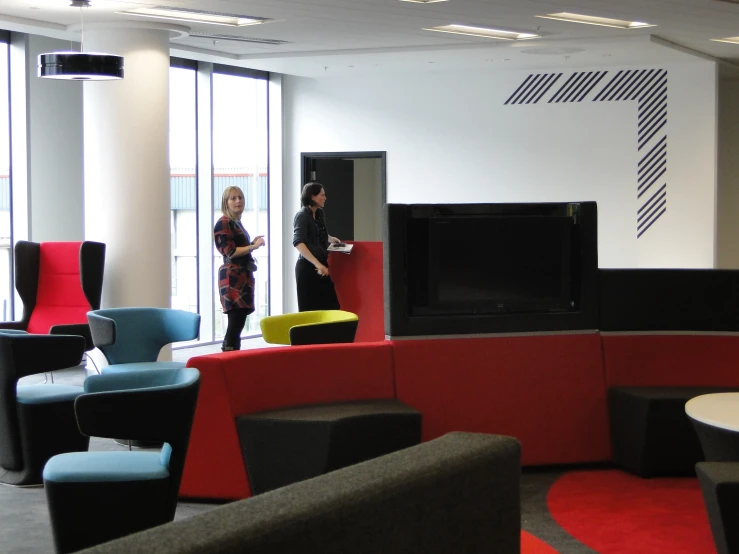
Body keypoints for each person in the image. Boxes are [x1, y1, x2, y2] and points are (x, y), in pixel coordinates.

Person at [214, 186, 265, 351]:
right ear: (226, 202)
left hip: (242, 275)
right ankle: (228, 355)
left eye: (240, 197)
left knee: (239, 320)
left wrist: (251, 244)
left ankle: (233, 354)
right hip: (232, 276)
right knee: (235, 322)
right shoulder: (223, 222)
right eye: (233, 198)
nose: (238, 201)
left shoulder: (235, 222)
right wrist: (253, 247)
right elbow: (230, 251)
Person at [293, 182, 342, 312]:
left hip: (320, 264)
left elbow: (317, 232)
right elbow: (298, 242)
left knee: (332, 307)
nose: (325, 198)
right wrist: (317, 263)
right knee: (310, 310)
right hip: (307, 267)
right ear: (313, 197)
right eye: (322, 195)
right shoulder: (302, 216)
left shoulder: (319, 213)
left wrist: (330, 238)